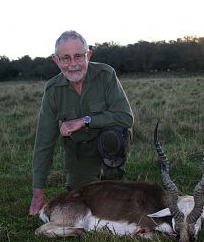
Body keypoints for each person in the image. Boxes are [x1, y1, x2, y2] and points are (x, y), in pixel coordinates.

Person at [29, 30, 134, 215]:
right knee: (82, 198)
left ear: (89, 54)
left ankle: (114, 179)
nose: (73, 65)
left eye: (78, 56)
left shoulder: (106, 74)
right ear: (56, 61)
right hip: (78, 149)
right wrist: (38, 192)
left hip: (107, 140)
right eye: (66, 58)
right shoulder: (52, 90)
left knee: (112, 138)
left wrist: (85, 121)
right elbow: (43, 142)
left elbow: (125, 117)